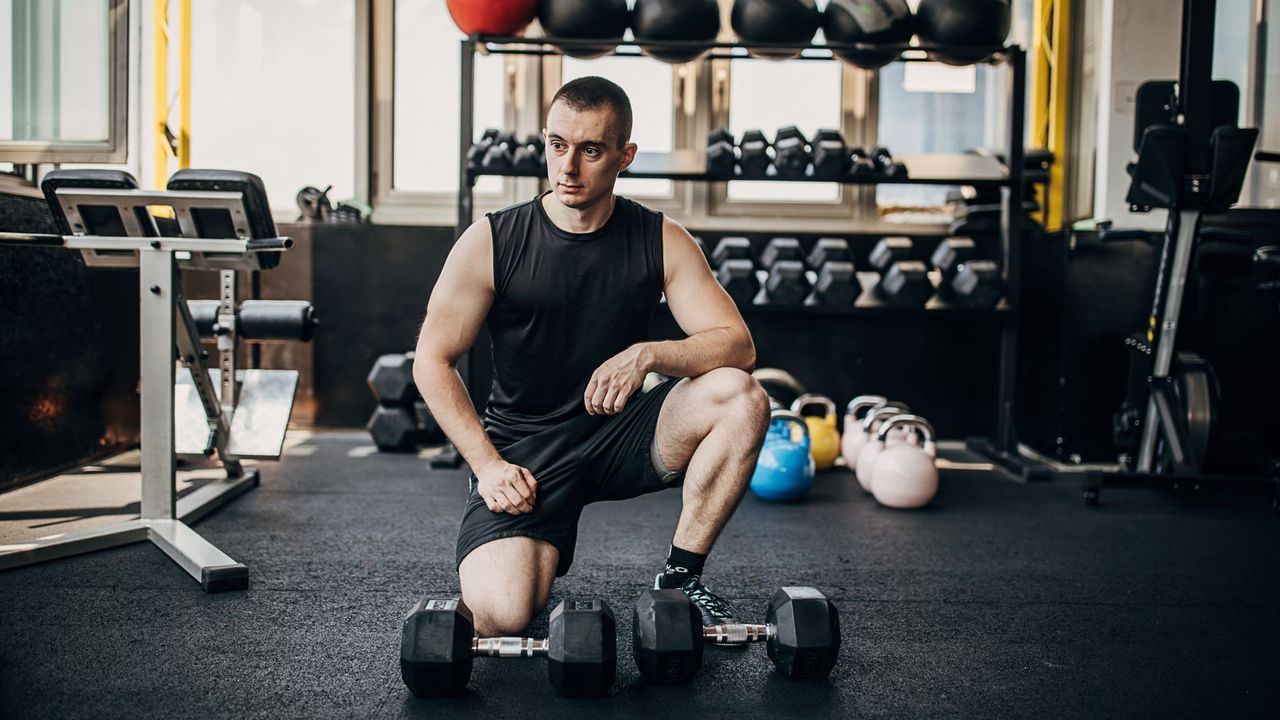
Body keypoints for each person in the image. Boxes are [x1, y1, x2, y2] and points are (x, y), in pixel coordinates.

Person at [413, 76, 771, 638]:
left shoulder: (661, 239)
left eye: (590, 150)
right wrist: (486, 466)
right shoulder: (492, 241)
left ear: (625, 156)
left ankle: (681, 576)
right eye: (557, 145)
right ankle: (534, 543)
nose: (568, 168)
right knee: (501, 615)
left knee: (740, 396)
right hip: (526, 450)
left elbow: (738, 345)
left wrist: (650, 354)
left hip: (620, 433)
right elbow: (431, 360)